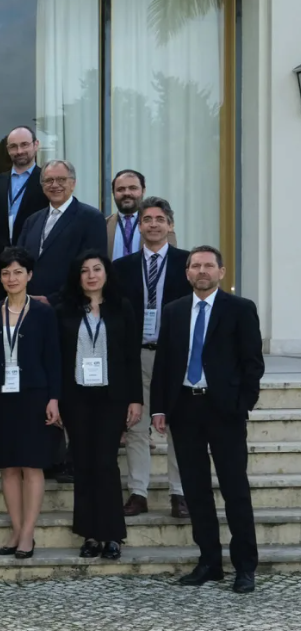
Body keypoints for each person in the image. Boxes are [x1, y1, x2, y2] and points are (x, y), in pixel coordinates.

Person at [151, 246, 264, 593]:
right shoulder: (173, 311)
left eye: (208, 265)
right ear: (187, 273)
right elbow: (165, 363)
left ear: (221, 272)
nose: (202, 271)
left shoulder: (241, 309)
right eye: (195, 265)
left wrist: (242, 403)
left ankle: (245, 567)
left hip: (224, 411)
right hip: (185, 409)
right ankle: (209, 563)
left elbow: (252, 362)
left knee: (235, 490)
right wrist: (159, 408)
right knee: (197, 492)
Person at [0, 248, 62, 559]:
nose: (11, 278)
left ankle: (28, 532)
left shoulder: (42, 312)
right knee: (8, 467)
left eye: (17, 272)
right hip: (0, 395)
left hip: (35, 394)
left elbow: (53, 356)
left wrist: (54, 398)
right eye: (5, 273)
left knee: (32, 465)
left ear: (29, 275)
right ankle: (15, 528)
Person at [57, 251, 143, 561]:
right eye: (85, 270)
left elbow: (132, 357)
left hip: (112, 397)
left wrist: (136, 399)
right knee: (83, 464)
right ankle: (90, 534)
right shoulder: (64, 310)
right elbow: (56, 359)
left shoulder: (122, 308)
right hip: (76, 396)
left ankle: (113, 535)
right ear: (77, 277)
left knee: (106, 463)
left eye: (97, 269)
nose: (91, 275)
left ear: (106, 274)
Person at [111, 196, 190, 517]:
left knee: (180, 426)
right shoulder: (121, 268)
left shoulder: (188, 264)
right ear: (139, 226)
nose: (153, 224)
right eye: (147, 220)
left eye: (160, 219)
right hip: (136, 356)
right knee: (136, 425)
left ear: (170, 225)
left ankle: (180, 493)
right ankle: (138, 492)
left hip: (175, 358)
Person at [0, 126, 46, 299]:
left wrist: (22, 253)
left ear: (36, 145)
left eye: (24, 145)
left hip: (34, 267)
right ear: (8, 150)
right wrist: (5, 250)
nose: (19, 151)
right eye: (13, 146)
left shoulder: (46, 181)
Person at [19, 160, 106, 298]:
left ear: (73, 183)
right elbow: (20, 262)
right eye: (49, 180)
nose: (54, 185)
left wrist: (52, 300)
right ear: (42, 186)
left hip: (69, 307)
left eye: (61, 179)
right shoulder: (32, 221)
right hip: (31, 304)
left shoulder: (91, 218)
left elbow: (91, 269)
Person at [106, 170, 174, 261]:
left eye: (133, 188)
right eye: (120, 189)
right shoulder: (103, 224)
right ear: (113, 193)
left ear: (143, 190)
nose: (127, 193)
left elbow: (172, 257)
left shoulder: (159, 224)